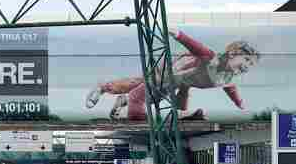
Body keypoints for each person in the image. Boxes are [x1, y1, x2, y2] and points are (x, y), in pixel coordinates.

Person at [85, 30, 260, 121]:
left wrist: (240, 103)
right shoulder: (211, 59)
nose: (247, 66)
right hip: (174, 70)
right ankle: (105, 89)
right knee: (143, 86)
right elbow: (195, 46)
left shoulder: (227, 79)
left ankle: (120, 98)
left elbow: (231, 89)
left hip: (181, 82)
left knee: (151, 94)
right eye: (246, 59)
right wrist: (178, 34)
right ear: (232, 53)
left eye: (250, 64)